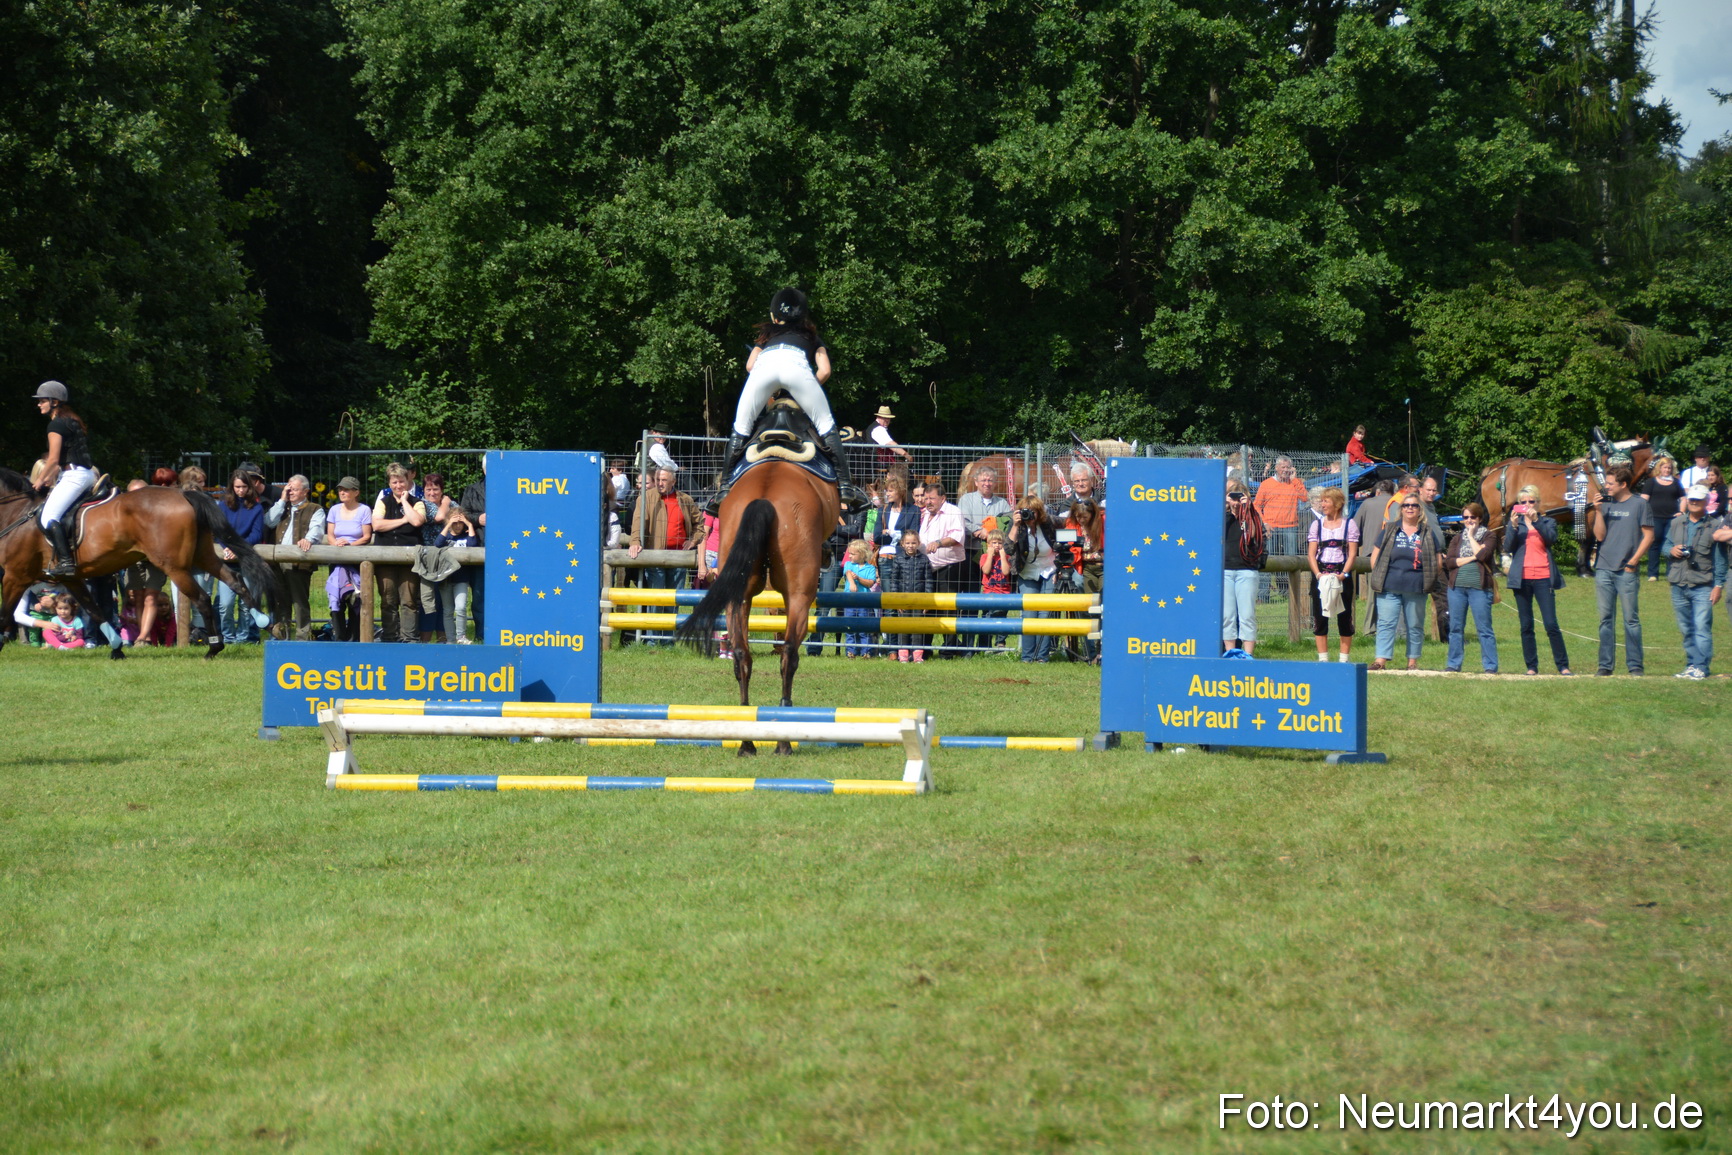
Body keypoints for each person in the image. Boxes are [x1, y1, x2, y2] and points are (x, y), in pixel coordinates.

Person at [713, 288, 861, 506]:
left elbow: (750, 365)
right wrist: (799, 390)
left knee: (741, 427)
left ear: (775, 315)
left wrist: (771, 390)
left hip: (764, 369)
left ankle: (724, 487)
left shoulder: (767, 335)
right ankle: (846, 486)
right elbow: (825, 370)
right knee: (826, 425)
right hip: (797, 368)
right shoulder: (811, 336)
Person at [1590, 464, 1655, 676]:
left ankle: (1635, 666)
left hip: (1626, 570)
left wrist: (1633, 561)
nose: (1606, 487)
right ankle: (1605, 666)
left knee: (1631, 620)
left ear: (1623, 484)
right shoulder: (1605, 504)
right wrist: (1598, 511)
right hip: (1604, 569)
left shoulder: (1639, 504)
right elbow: (1600, 536)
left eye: (1610, 483)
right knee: (1605, 620)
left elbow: (1649, 536)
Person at [1503, 484, 1573, 676]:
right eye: (1523, 502)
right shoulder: (1515, 523)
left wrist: (1536, 521)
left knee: (1551, 624)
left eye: (1531, 502)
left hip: (1543, 577)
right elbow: (1508, 546)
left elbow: (1551, 539)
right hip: (1522, 578)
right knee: (1526, 625)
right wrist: (1514, 527)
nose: (1527, 505)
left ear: (1538, 503)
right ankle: (1531, 666)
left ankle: (1563, 666)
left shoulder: (1548, 521)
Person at [31, 381, 99, 578]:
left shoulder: (55, 425)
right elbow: (61, 461)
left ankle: (66, 562)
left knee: (48, 516)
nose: (38, 404)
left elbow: (52, 460)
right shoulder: (71, 421)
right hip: (84, 474)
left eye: (42, 400)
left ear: (54, 402)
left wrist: (38, 481)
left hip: (74, 476)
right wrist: (48, 479)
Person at [1367, 491, 1440, 670]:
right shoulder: (1390, 529)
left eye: (1414, 505)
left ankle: (1412, 662)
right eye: (1406, 505)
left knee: (1415, 625)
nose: (1410, 508)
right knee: (1386, 623)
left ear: (1419, 510)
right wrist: (1380, 574)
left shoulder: (1427, 532)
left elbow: (1437, 560)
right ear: (1401, 509)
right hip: (1389, 585)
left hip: (1416, 586)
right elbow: (1374, 557)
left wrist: (1427, 576)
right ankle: (1380, 661)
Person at [626, 469, 707, 628]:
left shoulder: (685, 500)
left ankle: (668, 639)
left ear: (673, 482)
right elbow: (637, 522)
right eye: (657, 479)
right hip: (655, 556)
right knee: (656, 600)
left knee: (674, 600)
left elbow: (700, 525)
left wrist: (692, 540)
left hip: (679, 559)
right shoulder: (646, 498)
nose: (660, 483)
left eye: (664, 480)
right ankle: (652, 639)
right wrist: (635, 541)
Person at [1666, 485, 1725, 679]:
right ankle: (1691, 664)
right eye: (1691, 499)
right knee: (1686, 628)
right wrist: (1670, 550)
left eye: (1698, 499)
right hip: (1678, 583)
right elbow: (1664, 544)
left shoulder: (1716, 525)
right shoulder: (1677, 522)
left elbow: (1720, 559)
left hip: (1703, 585)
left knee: (1701, 627)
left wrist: (1718, 585)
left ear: (1706, 502)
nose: (1693, 502)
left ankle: (1701, 666)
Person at [263, 474, 326, 641]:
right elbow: (268, 521)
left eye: (294, 489)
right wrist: (282, 500)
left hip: (299, 561)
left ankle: (302, 638)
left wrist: (308, 539)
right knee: (280, 601)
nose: (290, 492)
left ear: (305, 491)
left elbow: (317, 529)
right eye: (288, 489)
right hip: (278, 562)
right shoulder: (281, 507)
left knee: (299, 602)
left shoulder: (315, 508)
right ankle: (282, 637)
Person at [371, 462, 426, 644]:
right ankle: (389, 636)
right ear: (389, 483)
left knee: (409, 601)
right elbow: (377, 525)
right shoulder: (382, 502)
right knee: (387, 600)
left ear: (407, 481)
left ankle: (409, 638)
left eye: (401, 482)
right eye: (394, 482)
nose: (398, 486)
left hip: (409, 559)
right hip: (385, 559)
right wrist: (403, 520)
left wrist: (404, 501)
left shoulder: (417, 502)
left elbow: (417, 521)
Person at [1442, 502, 1499, 674]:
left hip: (1480, 588)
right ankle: (1453, 664)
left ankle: (1490, 666)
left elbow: (1483, 556)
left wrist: (1472, 536)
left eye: (1472, 517)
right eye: (1465, 517)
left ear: (1479, 518)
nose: (1468, 520)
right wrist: (1472, 557)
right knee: (1456, 628)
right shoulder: (1456, 538)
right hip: (1456, 588)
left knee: (1484, 629)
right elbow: (1450, 562)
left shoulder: (1489, 536)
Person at [958, 467, 1011, 648]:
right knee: (973, 597)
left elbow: (1007, 523)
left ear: (995, 483)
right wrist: (979, 531)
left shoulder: (1003, 503)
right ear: (976, 482)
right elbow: (963, 521)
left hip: (997, 559)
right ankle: (969, 642)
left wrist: (991, 535)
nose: (987, 483)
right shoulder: (966, 500)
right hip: (971, 553)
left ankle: (990, 642)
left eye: (990, 480)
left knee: (995, 598)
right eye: (983, 480)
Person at [1306, 486, 1359, 662]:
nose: (1323, 505)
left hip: (1341, 575)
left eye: (1326, 501)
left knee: (1344, 617)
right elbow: (1311, 554)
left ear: (1337, 504)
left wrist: (1344, 574)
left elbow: (1352, 554)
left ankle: (1343, 659)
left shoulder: (1349, 525)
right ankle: (1323, 659)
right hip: (1322, 574)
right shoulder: (1317, 525)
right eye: (1322, 501)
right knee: (1320, 616)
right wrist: (1318, 575)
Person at [218, 468, 268, 643]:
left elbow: (256, 534)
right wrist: (227, 547)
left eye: (244, 487)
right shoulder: (223, 505)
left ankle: (243, 638)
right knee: (225, 604)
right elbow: (219, 530)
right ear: (232, 486)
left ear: (250, 487)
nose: (240, 490)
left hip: (246, 560)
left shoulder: (256, 508)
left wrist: (238, 549)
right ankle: (227, 637)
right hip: (226, 562)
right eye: (237, 486)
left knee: (246, 604)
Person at [917, 481, 967, 657]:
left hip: (949, 567)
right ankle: (925, 649)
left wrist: (938, 543)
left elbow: (956, 536)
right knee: (928, 608)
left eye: (932, 498)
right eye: (926, 498)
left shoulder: (953, 511)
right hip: (928, 568)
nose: (928, 501)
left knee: (948, 608)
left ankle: (948, 650)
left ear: (943, 498)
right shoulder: (925, 514)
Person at [1008, 493, 1058, 663]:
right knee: (1029, 614)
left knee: (1045, 614)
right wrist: (1015, 526)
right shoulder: (1017, 526)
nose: (1030, 516)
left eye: (1034, 512)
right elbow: (1007, 549)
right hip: (1027, 572)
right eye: (1026, 512)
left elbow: (1059, 545)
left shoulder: (1048, 524)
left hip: (1049, 570)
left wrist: (1058, 569)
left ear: (1040, 513)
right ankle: (1027, 657)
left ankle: (1042, 657)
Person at [324, 477, 372, 641]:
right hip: (337, 560)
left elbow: (366, 536)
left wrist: (350, 545)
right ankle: (339, 638)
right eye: (340, 489)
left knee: (355, 598)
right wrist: (337, 543)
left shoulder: (364, 510)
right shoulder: (334, 510)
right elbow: (330, 535)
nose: (342, 492)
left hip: (355, 561)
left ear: (356, 492)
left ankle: (354, 637)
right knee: (336, 596)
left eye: (346, 489)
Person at [1253, 455, 1307, 601]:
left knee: (1290, 561)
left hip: (1291, 527)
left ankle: (1289, 594)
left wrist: (1295, 479)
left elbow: (1304, 497)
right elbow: (1256, 505)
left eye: (1288, 467)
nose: (1285, 470)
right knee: (1267, 560)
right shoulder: (1266, 484)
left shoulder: (1294, 483)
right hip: (1271, 527)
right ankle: (1263, 596)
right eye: (1283, 467)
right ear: (1276, 468)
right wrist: (1264, 523)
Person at [883, 529, 935, 662]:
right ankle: (903, 655)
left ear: (918, 543)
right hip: (903, 600)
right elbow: (894, 581)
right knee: (903, 627)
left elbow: (929, 580)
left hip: (919, 599)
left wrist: (927, 600)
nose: (910, 545)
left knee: (917, 627)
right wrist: (896, 601)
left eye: (913, 543)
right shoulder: (899, 559)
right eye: (907, 543)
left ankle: (917, 656)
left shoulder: (924, 559)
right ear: (902, 544)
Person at [1222, 484, 1262, 655]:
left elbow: (1252, 534)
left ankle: (1248, 654)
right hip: (1225, 571)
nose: (1236, 502)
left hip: (1246, 570)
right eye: (1234, 497)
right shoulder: (1222, 517)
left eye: (1240, 497)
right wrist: (1224, 503)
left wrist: (1247, 508)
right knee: (1227, 616)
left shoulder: (1251, 516)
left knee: (1247, 615)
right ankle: (1230, 652)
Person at [1638, 454, 1682, 581]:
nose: (1667, 470)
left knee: (1671, 545)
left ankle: (1670, 573)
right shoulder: (1651, 482)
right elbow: (1644, 499)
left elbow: (1683, 498)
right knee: (1654, 544)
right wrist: (1643, 514)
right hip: (1654, 517)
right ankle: (1653, 574)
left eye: (1669, 468)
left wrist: (1681, 511)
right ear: (1659, 468)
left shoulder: (1676, 482)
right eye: (1665, 468)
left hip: (1672, 518)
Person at [459, 455, 488, 640]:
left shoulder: (510, 488)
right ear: (484, 469)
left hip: (508, 550)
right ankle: (481, 635)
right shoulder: (472, 490)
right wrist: (478, 519)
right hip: (479, 548)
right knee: (479, 596)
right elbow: (462, 515)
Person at [840, 539, 879, 658]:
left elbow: (870, 583)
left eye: (852, 554)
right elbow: (847, 573)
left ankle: (866, 651)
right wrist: (852, 583)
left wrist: (858, 579)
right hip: (850, 600)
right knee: (849, 626)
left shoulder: (870, 568)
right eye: (849, 553)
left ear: (862, 554)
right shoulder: (848, 564)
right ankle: (850, 651)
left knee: (864, 627)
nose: (849, 556)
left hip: (864, 601)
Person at [978, 528, 1014, 650]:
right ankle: (984, 645)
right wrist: (990, 555)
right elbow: (986, 570)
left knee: (1001, 618)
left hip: (1003, 593)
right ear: (988, 545)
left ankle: (1000, 643)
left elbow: (1005, 571)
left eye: (999, 543)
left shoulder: (1007, 557)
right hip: (989, 592)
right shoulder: (984, 556)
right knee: (987, 617)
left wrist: (1003, 557)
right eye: (994, 543)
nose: (997, 545)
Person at [869, 405, 910, 477]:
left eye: (889, 418)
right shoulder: (879, 429)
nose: (888, 420)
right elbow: (891, 444)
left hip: (876, 463)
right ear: (879, 417)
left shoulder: (874, 427)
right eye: (885, 418)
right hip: (879, 464)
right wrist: (906, 455)